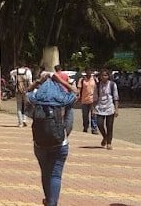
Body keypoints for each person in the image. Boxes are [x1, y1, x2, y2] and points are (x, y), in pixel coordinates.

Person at [26, 70, 78, 206]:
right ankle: (52, 202)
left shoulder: (36, 98)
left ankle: (49, 199)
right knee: (56, 175)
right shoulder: (63, 98)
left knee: (45, 173)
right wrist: (61, 81)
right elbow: (75, 92)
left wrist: (38, 81)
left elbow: (27, 92)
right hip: (60, 142)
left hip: (39, 143)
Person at [94, 68, 119, 150]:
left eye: (106, 75)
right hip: (100, 107)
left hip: (110, 107)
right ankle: (105, 137)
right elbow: (95, 98)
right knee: (99, 124)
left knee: (109, 126)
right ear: (100, 76)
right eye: (102, 75)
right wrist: (93, 108)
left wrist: (116, 109)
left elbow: (116, 97)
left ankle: (109, 143)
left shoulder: (112, 85)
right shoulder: (97, 85)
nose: (104, 77)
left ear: (108, 76)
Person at [76, 70, 99, 134]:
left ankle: (94, 128)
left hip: (93, 100)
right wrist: (78, 96)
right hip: (84, 100)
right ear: (86, 72)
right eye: (87, 71)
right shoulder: (82, 80)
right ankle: (85, 127)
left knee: (94, 115)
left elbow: (99, 87)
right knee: (85, 116)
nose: (89, 73)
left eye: (90, 71)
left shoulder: (94, 79)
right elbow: (79, 89)